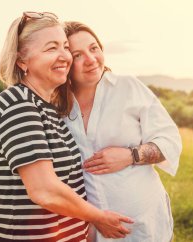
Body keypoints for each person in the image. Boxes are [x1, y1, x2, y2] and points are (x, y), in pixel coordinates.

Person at [0, 12, 133, 242]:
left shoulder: (48, 108)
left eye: (65, 46)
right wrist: (99, 217)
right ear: (22, 60)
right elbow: (45, 190)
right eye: (51, 48)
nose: (64, 56)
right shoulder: (17, 104)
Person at [54, 21, 182, 241]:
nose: (91, 59)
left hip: (143, 226)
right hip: (88, 229)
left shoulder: (129, 87)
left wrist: (131, 155)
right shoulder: (54, 104)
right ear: (65, 62)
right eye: (77, 55)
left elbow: (170, 142)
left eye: (94, 48)